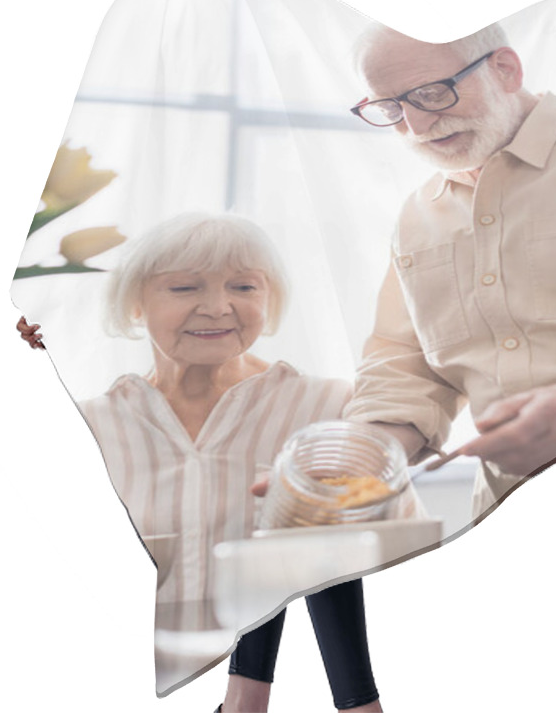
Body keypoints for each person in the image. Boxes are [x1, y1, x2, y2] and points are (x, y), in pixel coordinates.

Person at [74, 212, 384, 713]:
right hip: (113, 665)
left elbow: (351, 535)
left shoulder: (327, 405)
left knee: (298, 512)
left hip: (224, 671)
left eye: (243, 286)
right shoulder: (92, 423)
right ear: (135, 302)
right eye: (183, 288)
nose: (218, 308)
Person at [342, 0, 556, 519]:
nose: (415, 128)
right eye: (391, 107)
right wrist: (366, 454)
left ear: (507, 70)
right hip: (510, 510)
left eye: (432, 94)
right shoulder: (416, 218)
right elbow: (406, 365)